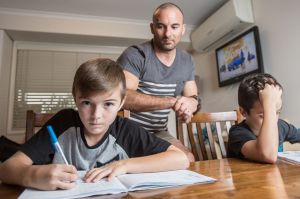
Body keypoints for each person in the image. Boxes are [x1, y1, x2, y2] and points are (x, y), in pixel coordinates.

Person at [0, 58, 189, 191]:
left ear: (122, 103)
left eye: (108, 104)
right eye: (87, 103)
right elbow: (8, 168)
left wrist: (124, 165)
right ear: (76, 99)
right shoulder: (63, 122)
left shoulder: (125, 129)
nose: (96, 116)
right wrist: (33, 175)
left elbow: (180, 159)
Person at [117, 2, 200, 162]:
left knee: (188, 159)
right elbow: (122, 97)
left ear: (183, 29)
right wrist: (170, 102)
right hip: (127, 130)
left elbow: (193, 96)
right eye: (161, 26)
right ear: (152, 28)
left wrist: (190, 105)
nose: (168, 34)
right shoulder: (136, 55)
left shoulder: (187, 61)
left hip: (157, 131)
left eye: (174, 27)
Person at [228, 73, 300, 163]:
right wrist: (268, 103)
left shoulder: (280, 125)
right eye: (264, 115)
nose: (273, 119)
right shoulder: (237, 133)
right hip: (248, 176)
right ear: (243, 112)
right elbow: (267, 155)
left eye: (277, 112)